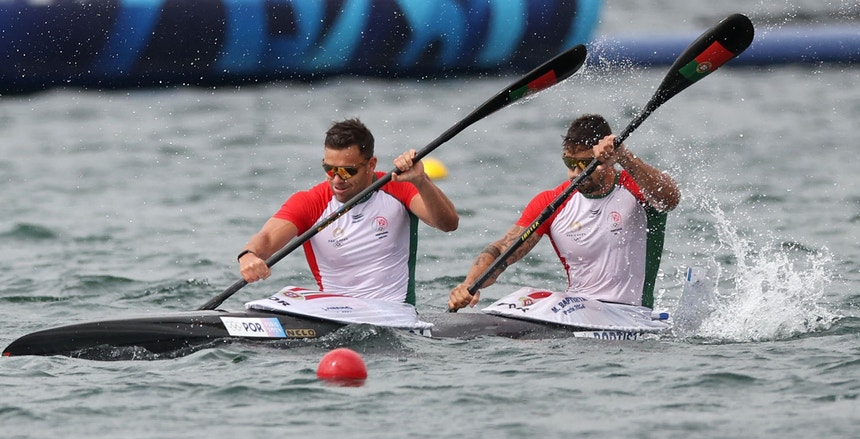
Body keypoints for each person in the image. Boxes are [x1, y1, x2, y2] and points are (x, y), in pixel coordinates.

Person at [448, 114, 680, 311]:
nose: (573, 174)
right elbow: (502, 250)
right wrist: (469, 285)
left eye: (584, 165)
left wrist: (625, 156)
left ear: (607, 160)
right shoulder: (552, 202)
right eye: (569, 163)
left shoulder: (636, 189)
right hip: (578, 311)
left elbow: (670, 199)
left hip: (630, 316)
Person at [238, 118, 459, 305]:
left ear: (371, 164)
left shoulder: (399, 186)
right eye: (329, 169)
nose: (336, 179)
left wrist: (421, 181)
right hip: (334, 316)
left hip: (395, 316)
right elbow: (266, 239)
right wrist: (248, 256)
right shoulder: (310, 202)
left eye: (347, 171)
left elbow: (448, 223)